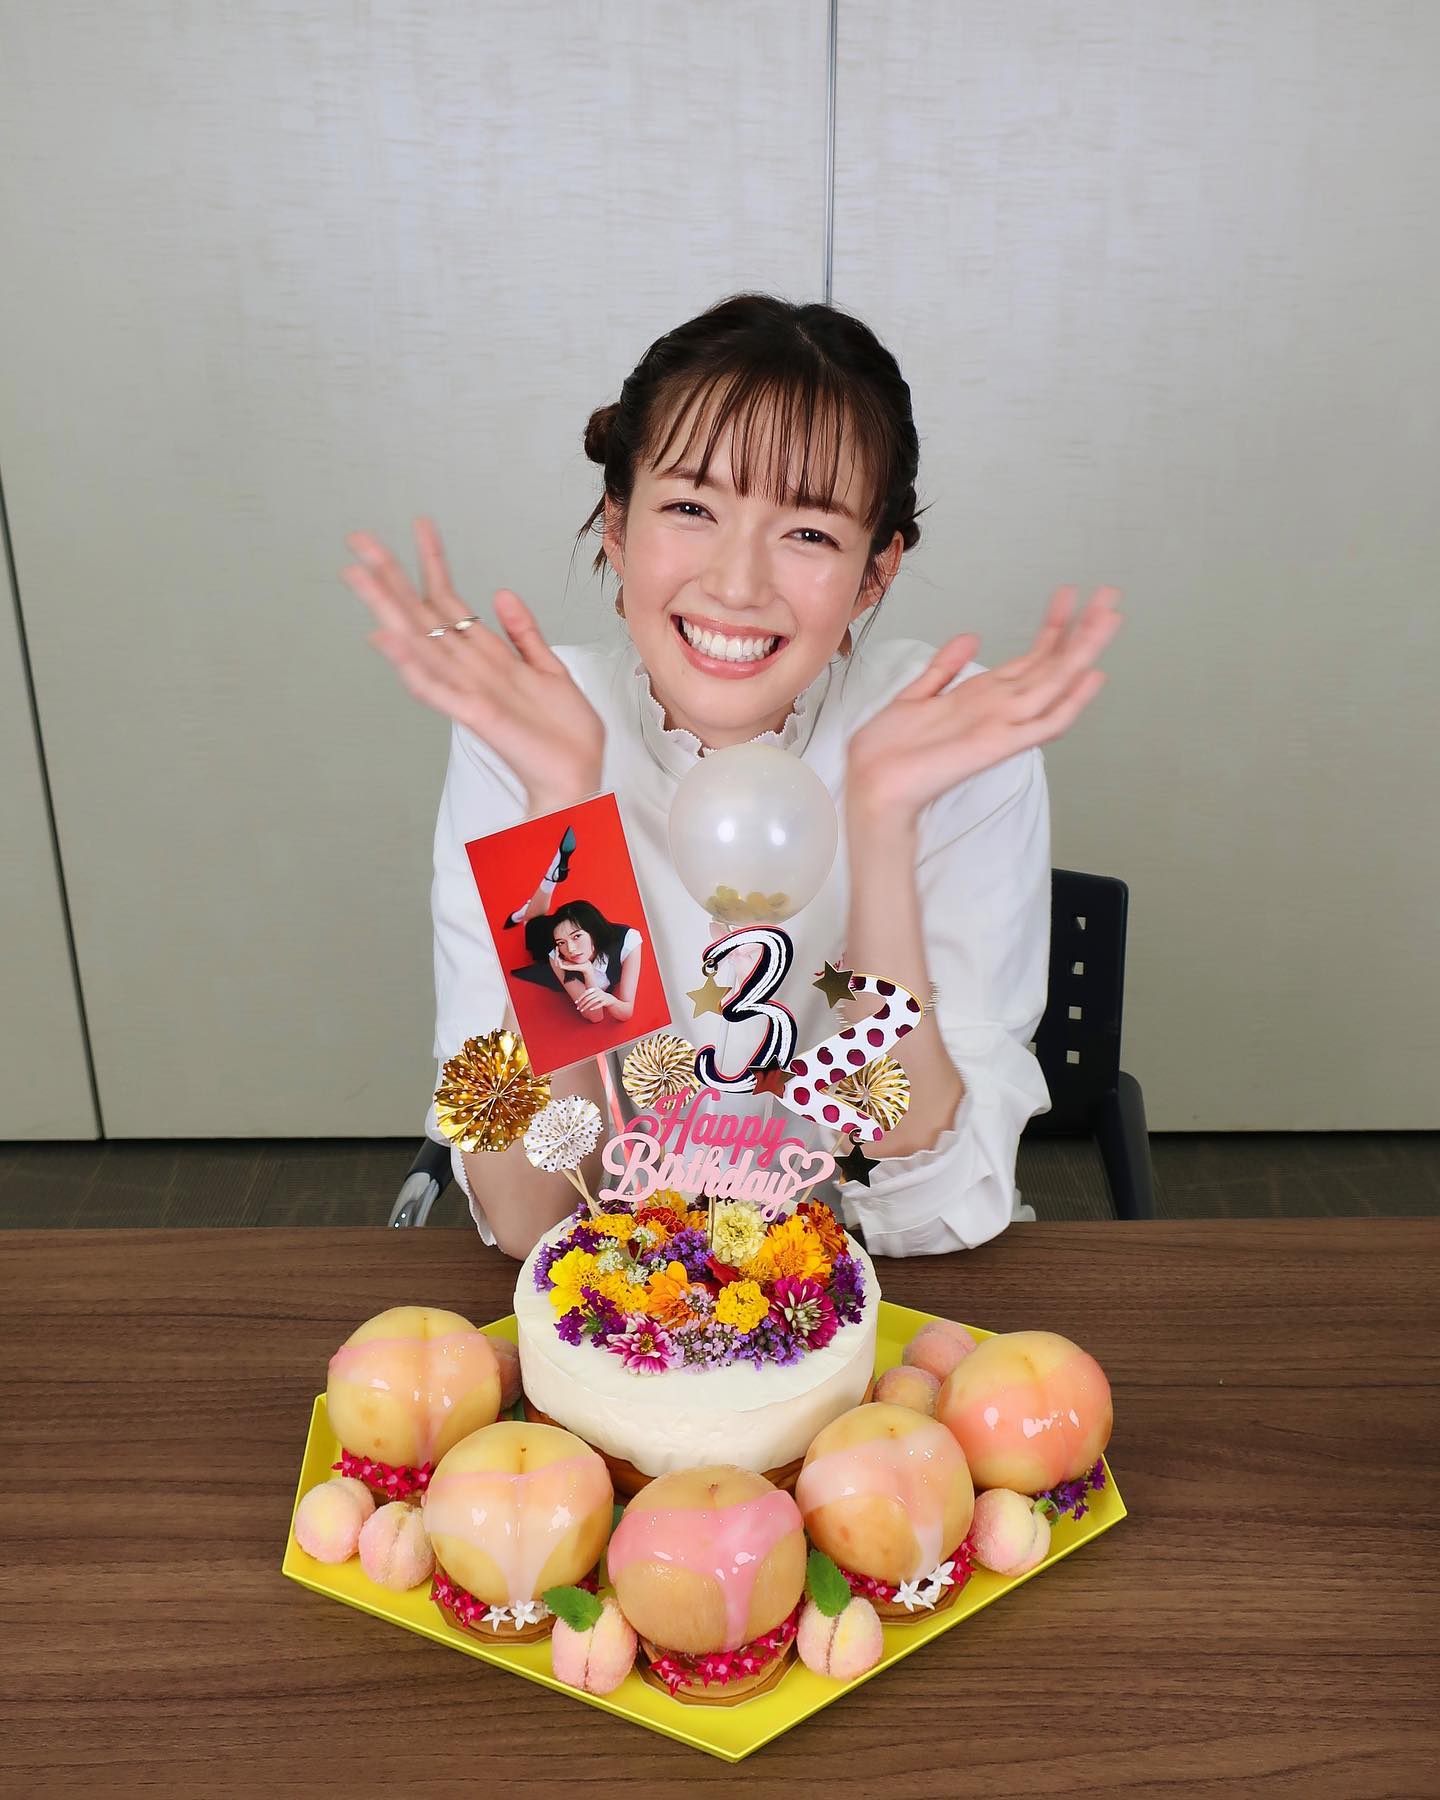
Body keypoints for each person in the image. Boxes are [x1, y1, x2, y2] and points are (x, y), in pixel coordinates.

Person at [340, 292, 1123, 1260]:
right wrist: (560, 812)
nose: (738, 584)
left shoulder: (947, 736)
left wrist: (881, 824)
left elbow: (930, 1212)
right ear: (617, 526)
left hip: (869, 1306)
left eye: (809, 534)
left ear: (874, 573)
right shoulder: (530, 727)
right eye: (691, 508)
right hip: (612, 1304)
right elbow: (528, 1215)